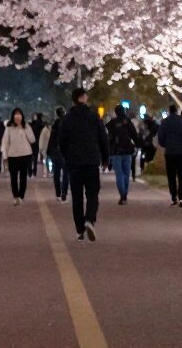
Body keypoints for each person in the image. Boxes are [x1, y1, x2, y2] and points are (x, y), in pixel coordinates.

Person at [58, 87, 108, 241]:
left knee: (77, 196)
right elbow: (103, 139)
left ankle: (80, 229)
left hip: (74, 162)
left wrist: (67, 157)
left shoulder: (67, 119)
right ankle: (89, 219)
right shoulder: (94, 117)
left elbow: (62, 141)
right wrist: (105, 158)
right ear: (84, 97)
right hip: (92, 160)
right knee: (93, 193)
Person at [157, 104, 182, 206]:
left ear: (169, 111)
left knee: (171, 175)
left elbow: (161, 137)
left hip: (170, 152)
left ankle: (174, 196)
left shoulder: (165, 122)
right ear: (177, 110)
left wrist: (165, 144)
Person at [2, 107, 37, 203]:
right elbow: (5, 142)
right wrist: (5, 156)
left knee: (23, 177)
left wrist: (22, 127)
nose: (18, 116)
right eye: (16, 114)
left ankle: (21, 196)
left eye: (19, 114)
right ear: (12, 116)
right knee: (13, 177)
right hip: (13, 156)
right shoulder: (9, 128)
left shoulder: (27, 126)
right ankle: (15, 196)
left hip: (25, 155)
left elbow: (32, 139)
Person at [106, 105, 139, 205]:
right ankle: (125, 195)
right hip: (127, 151)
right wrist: (137, 145)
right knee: (126, 173)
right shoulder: (128, 122)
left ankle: (122, 195)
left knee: (119, 174)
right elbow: (134, 135)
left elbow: (108, 138)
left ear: (116, 112)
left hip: (116, 152)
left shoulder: (112, 123)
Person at [47, 108, 68, 199]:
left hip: (55, 152)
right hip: (65, 152)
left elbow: (51, 139)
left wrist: (49, 151)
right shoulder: (68, 123)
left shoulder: (55, 125)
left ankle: (58, 192)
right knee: (66, 173)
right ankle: (64, 192)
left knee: (56, 173)